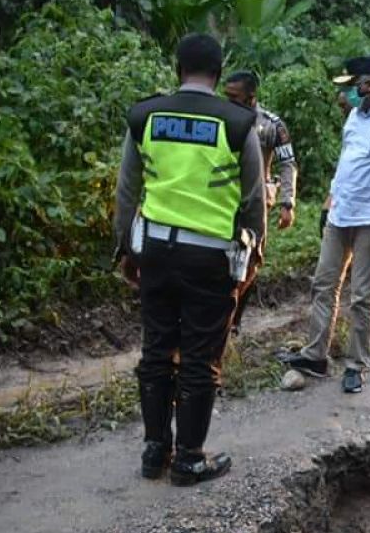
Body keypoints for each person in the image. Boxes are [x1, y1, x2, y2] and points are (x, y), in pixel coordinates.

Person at [113, 33, 265, 485]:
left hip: (156, 249)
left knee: (157, 348)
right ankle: (189, 458)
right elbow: (254, 201)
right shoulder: (238, 122)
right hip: (210, 257)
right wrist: (253, 255)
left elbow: (127, 190)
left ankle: (154, 451)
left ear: (177, 68)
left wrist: (126, 248)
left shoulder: (146, 115)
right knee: (200, 356)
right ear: (219, 74)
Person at [278, 56, 370, 393]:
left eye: (351, 88)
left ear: (368, 85)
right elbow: (347, 163)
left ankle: (356, 364)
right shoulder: (356, 117)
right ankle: (315, 355)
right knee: (324, 284)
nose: (345, 96)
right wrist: (328, 203)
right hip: (342, 213)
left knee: (362, 296)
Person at [222, 70, 299, 334]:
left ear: (251, 98)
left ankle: (235, 321)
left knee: (251, 260)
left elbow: (287, 163)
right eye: (226, 95)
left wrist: (288, 202)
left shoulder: (271, 125)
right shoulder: (219, 117)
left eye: (235, 97)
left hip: (256, 202)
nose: (229, 101)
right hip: (221, 199)